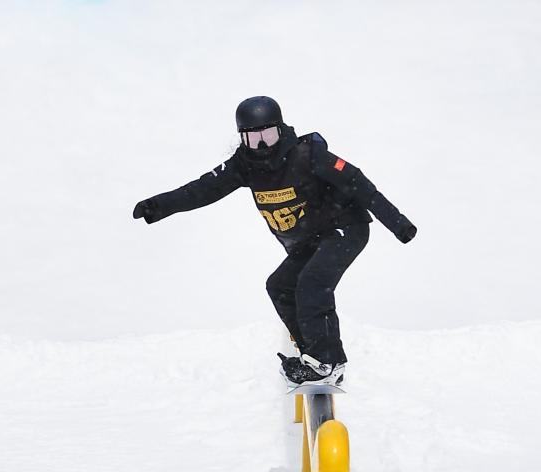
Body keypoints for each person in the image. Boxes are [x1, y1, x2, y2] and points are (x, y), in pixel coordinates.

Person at [133, 96, 417, 387]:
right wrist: (157, 206)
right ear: (242, 138)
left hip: (346, 227)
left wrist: (399, 224)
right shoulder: (244, 165)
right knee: (280, 285)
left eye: (267, 135)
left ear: (280, 130)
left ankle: (327, 362)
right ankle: (313, 354)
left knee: (312, 283)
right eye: (252, 138)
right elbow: (202, 189)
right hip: (314, 236)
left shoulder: (309, 155)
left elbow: (361, 185)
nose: (261, 145)